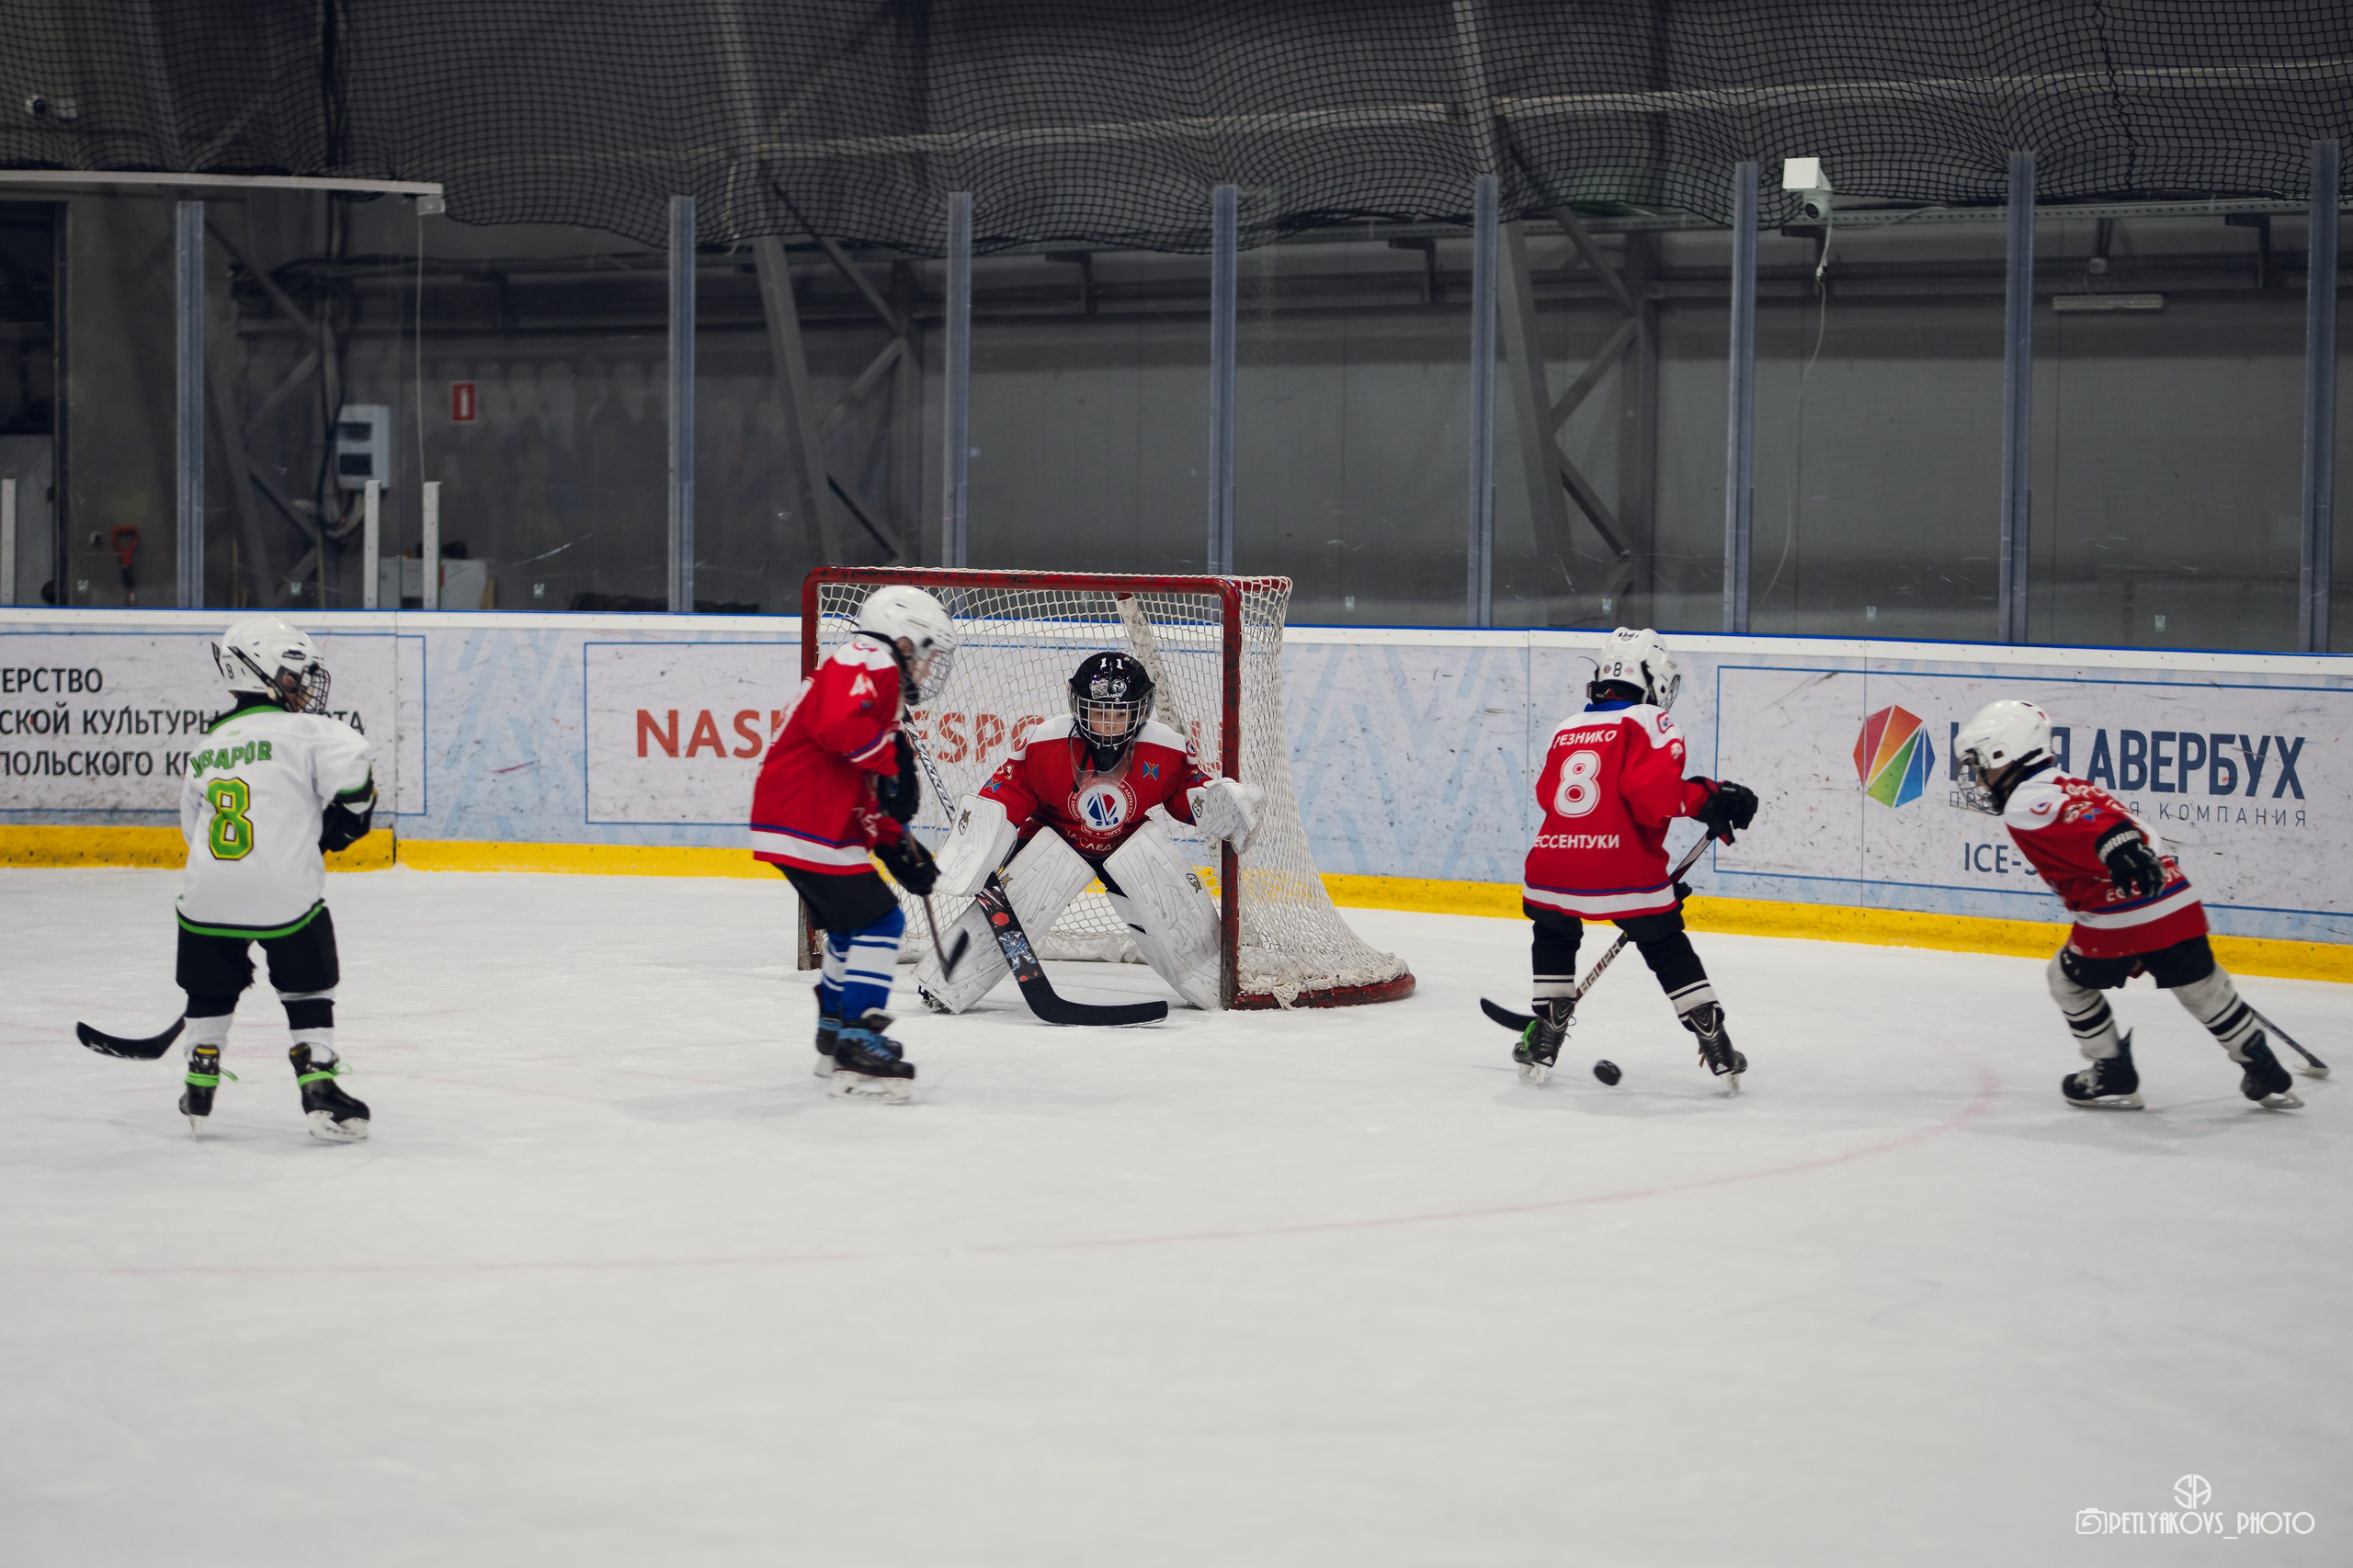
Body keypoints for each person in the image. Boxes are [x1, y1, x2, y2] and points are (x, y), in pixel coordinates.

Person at [1953, 699, 2302, 1110]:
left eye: (1982, 764)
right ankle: (2262, 1064)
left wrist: (2116, 848)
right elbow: (2113, 823)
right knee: (2202, 987)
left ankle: (2112, 1069)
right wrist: (2125, 846)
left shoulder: (2027, 801)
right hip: (2175, 899)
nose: (1979, 776)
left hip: (2120, 916)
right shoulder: (2066, 781)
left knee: (2066, 981)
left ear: (2004, 752)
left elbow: (2083, 822)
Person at [913, 651, 1262, 1013]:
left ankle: (1212, 982)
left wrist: (1213, 805)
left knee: (1154, 866)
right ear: (1077, 703)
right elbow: (1007, 796)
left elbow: (1183, 793)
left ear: (1141, 710)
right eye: (1097, 713)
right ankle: (945, 982)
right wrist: (985, 834)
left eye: (1118, 715)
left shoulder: (1167, 747)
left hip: (1127, 843)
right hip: (1055, 837)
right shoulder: (1044, 742)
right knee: (1031, 882)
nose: (1107, 725)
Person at [1515, 628, 1757, 1086]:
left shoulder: (1568, 725)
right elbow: (1649, 795)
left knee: (1553, 931)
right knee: (1663, 942)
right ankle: (1716, 1042)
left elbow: (1549, 795)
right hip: (1622, 874)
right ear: (1656, 678)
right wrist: (1708, 799)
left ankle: (1546, 1034)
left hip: (1551, 867)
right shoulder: (1651, 720)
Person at [172, 618, 377, 1140]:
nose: (304, 685)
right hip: (285, 894)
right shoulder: (311, 731)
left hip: (205, 896)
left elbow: (192, 830)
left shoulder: (208, 745)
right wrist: (341, 825)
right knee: (309, 985)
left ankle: (201, 1073)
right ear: (258, 672)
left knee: (210, 985)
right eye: (294, 674)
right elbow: (356, 790)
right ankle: (320, 1083)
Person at [751, 585, 955, 1101]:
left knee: (849, 927)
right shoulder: (870, 656)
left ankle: (835, 1031)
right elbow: (835, 726)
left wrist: (898, 845)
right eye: (928, 656)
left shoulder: (874, 688)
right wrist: (890, 762)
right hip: (809, 820)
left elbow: (863, 784)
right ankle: (857, 1037)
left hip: (805, 820)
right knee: (882, 922)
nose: (929, 671)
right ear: (905, 642)